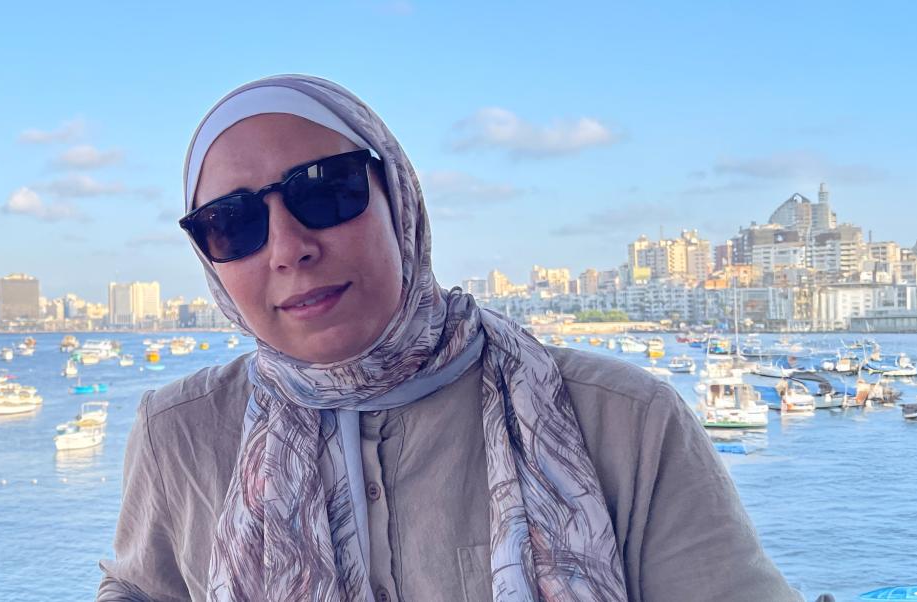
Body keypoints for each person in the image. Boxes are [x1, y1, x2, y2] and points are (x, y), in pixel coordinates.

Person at [97, 74, 801, 601]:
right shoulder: (179, 435)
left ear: (397, 196)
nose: (287, 247)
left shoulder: (624, 422)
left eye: (325, 190)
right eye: (233, 223)